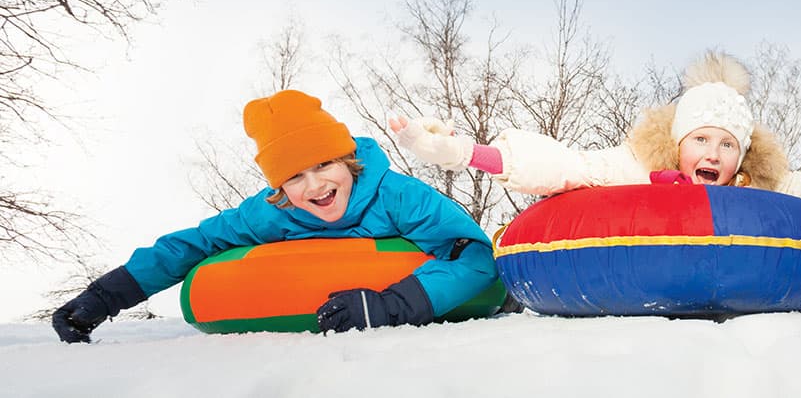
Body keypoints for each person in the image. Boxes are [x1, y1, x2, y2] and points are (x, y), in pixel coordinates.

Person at [51, 90, 499, 343]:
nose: (314, 186)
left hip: (437, 297)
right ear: (278, 188)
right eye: (294, 176)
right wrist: (104, 298)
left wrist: (389, 304)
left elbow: (473, 256)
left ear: (348, 161)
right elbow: (191, 245)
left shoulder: (398, 196)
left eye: (324, 165)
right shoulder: (270, 214)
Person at [390, 50, 801, 222]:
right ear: (677, 143)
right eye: (702, 140)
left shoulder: (757, 182)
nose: (714, 154)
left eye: (727, 145)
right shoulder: (634, 166)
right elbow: (565, 162)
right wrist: (464, 152)